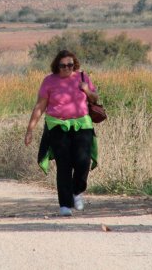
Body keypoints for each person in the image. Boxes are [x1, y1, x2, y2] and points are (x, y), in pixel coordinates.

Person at [24, 50, 99, 216]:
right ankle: (64, 204)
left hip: (82, 124)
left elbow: (95, 99)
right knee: (63, 165)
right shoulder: (49, 81)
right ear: (56, 66)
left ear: (75, 65)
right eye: (63, 65)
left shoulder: (82, 77)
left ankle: (77, 192)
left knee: (83, 161)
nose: (66, 68)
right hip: (57, 126)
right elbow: (40, 106)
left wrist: (86, 90)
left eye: (70, 65)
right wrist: (30, 130)